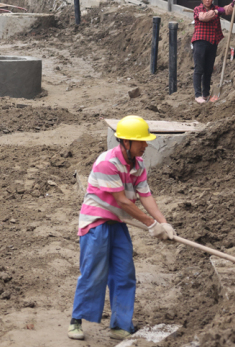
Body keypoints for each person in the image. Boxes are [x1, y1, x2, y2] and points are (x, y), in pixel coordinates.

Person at [68, 115, 173, 341]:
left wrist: (163, 222)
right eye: (141, 142)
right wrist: (151, 224)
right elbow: (123, 201)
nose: (146, 145)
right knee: (94, 272)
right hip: (96, 222)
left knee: (125, 273)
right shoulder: (108, 163)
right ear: (126, 142)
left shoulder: (138, 164)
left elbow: (145, 195)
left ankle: (120, 325)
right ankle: (76, 320)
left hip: (118, 222)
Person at [192, 0, 235, 104]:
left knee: (208, 69)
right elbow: (204, 17)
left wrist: (233, 4)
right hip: (200, 42)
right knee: (199, 69)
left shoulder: (216, 8)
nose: (207, 0)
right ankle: (197, 95)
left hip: (213, 42)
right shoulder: (198, 9)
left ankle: (206, 94)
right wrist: (217, 11)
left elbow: (227, 10)